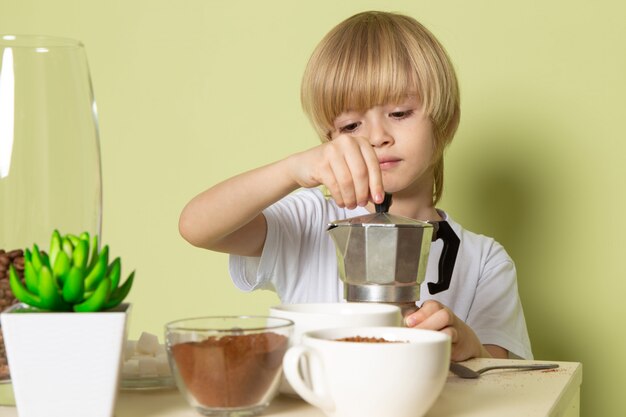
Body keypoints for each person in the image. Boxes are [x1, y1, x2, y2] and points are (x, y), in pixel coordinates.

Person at [179, 10, 532, 361]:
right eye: (351, 126)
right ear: (329, 139)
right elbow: (197, 227)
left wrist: (470, 347)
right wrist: (291, 169)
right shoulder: (309, 219)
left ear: (444, 120)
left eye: (399, 114)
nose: (378, 137)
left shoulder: (484, 260)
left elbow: (507, 381)